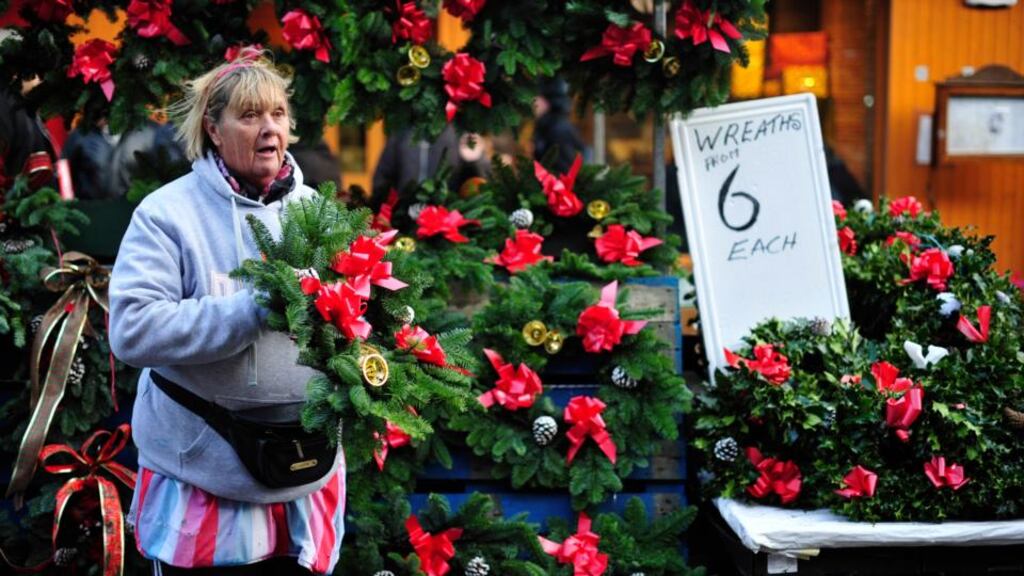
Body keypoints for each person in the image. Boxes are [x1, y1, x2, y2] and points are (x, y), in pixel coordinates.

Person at [108, 51, 344, 575]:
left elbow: (350, 324)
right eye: (250, 115)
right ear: (214, 129)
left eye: (278, 114)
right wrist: (251, 309)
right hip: (201, 480)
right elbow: (132, 331)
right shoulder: (166, 214)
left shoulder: (320, 212)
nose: (269, 128)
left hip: (305, 479)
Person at [531, 77, 585, 174]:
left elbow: (565, 169)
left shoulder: (557, 129)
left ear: (547, 101)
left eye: (537, 98)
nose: (534, 103)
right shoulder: (547, 126)